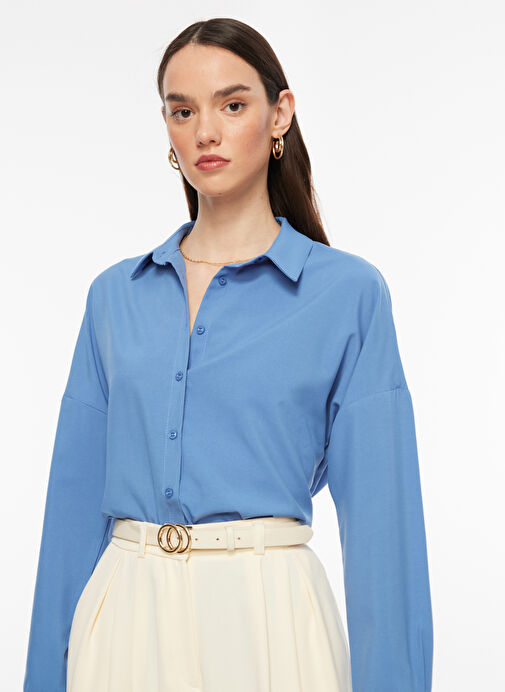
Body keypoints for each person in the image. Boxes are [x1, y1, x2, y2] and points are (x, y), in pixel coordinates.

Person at [23, 17, 433, 692]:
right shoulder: (114, 297)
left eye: (232, 105)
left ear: (280, 114)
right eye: (182, 111)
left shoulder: (346, 295)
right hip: (123, 621)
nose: (205, 132)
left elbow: (384, 536)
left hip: (270, 620)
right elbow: (70, 517)